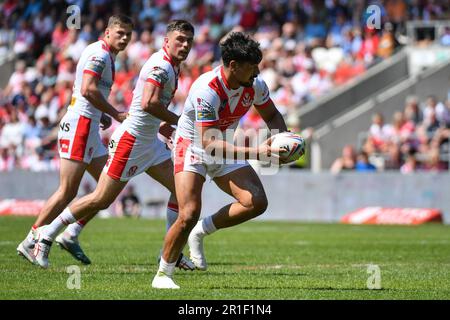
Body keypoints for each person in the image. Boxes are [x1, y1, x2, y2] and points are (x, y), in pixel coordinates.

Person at [32, 20, 196, 271]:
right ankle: (46, 235)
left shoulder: (172, 66)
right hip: (131, 143)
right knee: (100, 198)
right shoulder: (161, 66)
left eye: (188, 41)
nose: (185, 45)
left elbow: (147, 109)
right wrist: (181, 122)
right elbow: (149, 104)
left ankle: (171, 252)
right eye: (180, 40)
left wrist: (166, 127)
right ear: (167, 41)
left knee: (182, 191)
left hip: (149, 142)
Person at [152, 32, 289, 289]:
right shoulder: (207, 90)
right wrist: (256, 152)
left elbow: (271, 115)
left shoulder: (254, 85)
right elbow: (208, 143)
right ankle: (163, 274)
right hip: (192, 147)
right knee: (188, 212)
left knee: (256, 202)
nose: (257, 72)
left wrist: (283, 141)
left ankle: (200, 231)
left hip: (223, 146)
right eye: (251, 67)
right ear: (233, 66)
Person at [17, 14, 132, 265]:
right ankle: (31, 239)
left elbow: (90, 91)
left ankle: (71, 233)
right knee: (68, 191)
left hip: (88, 125)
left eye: (128, 34)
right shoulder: (100, 54)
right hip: (79, 125)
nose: (124, 38)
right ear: (108, 32)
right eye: (120, 33)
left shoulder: (106, 54)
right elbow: (87, 89)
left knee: (109, 188)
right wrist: (115, 113)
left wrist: (100, 114)